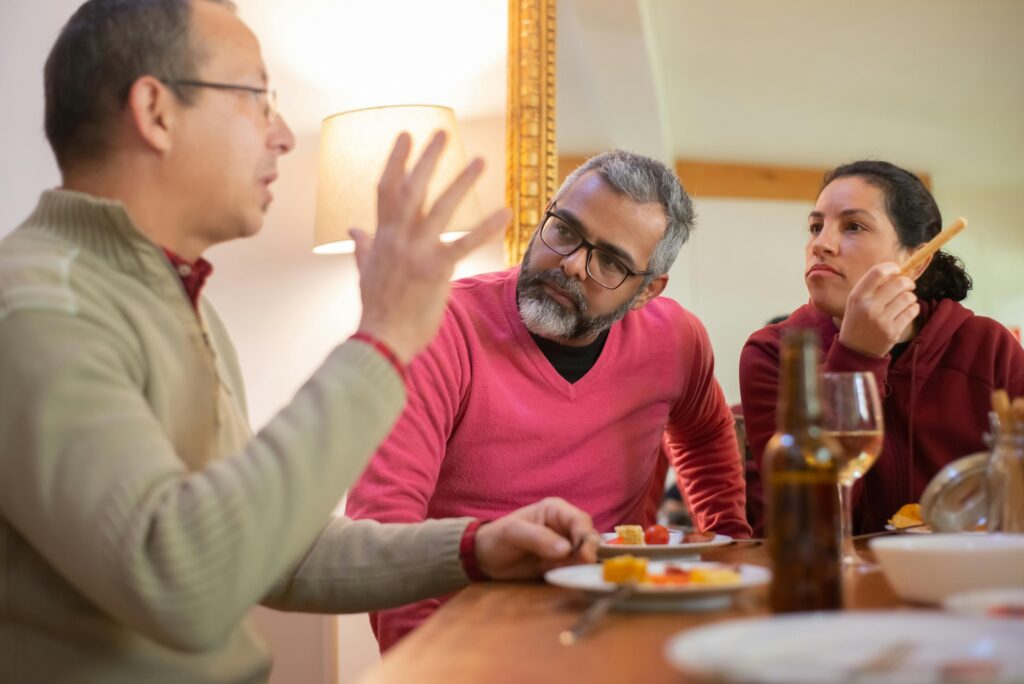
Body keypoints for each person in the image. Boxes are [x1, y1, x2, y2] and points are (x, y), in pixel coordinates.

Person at [0, 1, 602, 681]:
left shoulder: (170, 297)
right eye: (258, 97)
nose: (283, 134)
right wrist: (380, 343)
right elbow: (181, 579)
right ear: (156, 111)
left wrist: (474, 548)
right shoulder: (39, 307)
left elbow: (263, 549)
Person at [347, 150, 752, 650]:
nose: (572, 265)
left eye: (610, 262)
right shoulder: (438, 325)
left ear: (648, 292)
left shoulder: (677, 338)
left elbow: (706, 434)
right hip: (469, 636)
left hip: (621, 625)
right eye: (565, 230)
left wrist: (729, 544)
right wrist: (425, 659)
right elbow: (385, 522)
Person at [739, 160, 1024, 535]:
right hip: (837, 585)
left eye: (853, 226)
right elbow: (807, 523)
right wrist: (857, 357)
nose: (820, 244)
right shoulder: (775, 352)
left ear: (916, 261)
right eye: (815, 227)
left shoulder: (987, 346)